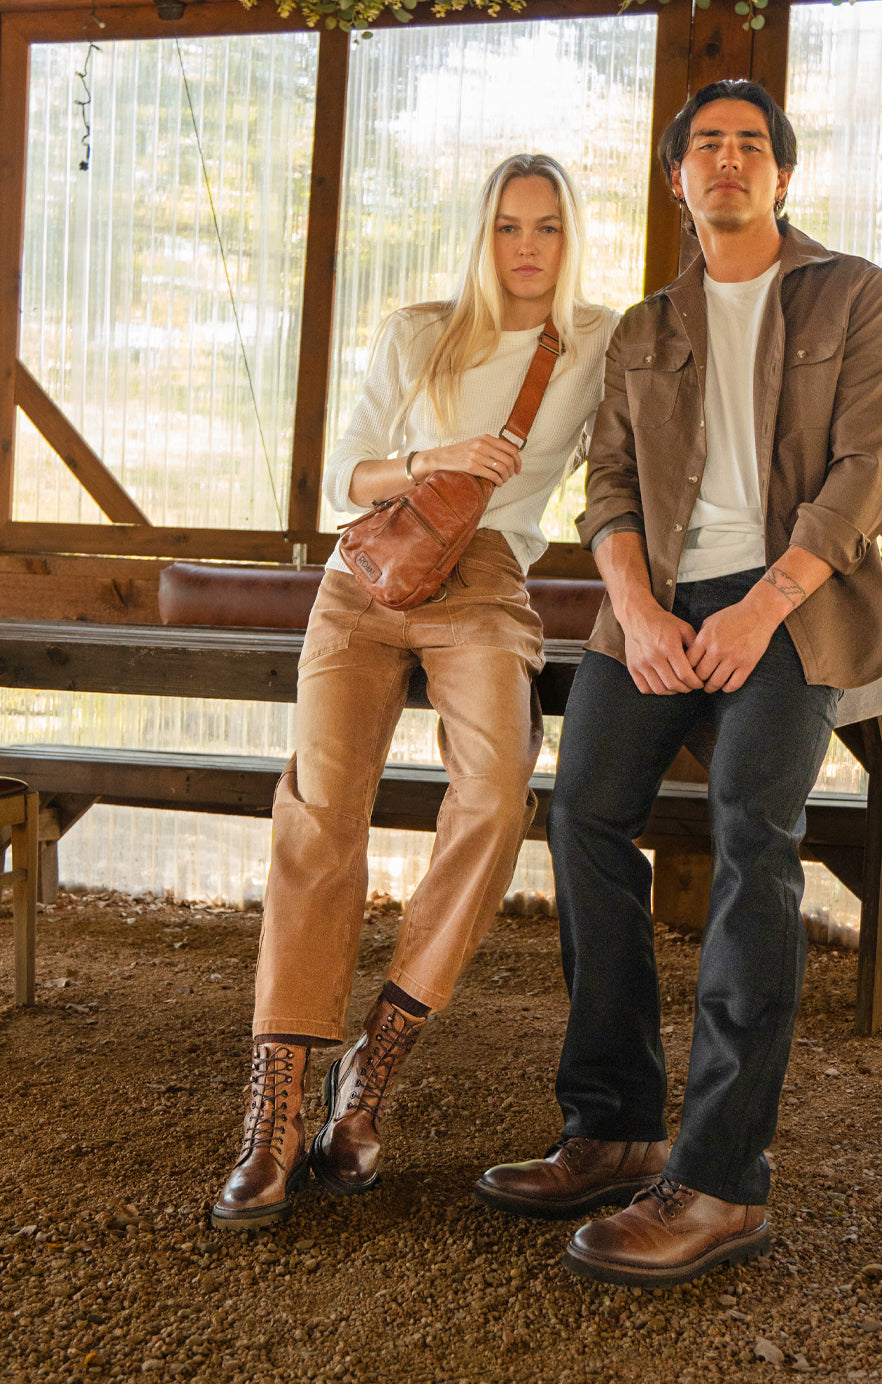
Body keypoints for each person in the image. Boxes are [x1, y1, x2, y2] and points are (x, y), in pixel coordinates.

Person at [475, 80, 882, 1287]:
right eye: (706, 146)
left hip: (797, 604)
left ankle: (721, 1181)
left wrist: (761, 607)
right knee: (582, 811)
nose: (729, 161)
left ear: (783, 175)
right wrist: (636, 608)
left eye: (751, 145)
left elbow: (866, 473)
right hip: (654, 610)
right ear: (677, 180)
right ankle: (613, 1122)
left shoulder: (854, 295)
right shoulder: (642, 329)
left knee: (750, 830)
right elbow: (606, 488)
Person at [212, 153, 619, 1230]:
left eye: (547, 227)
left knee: (495, 794)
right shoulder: (416, 329)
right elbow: (340, 477)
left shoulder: (596, 341)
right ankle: (275, 1115)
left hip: (485, 576)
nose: (527, 247)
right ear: (481, 234)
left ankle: (373, 1069)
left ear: (571, 238)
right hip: (365, 575)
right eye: (507, 227)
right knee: (318, 809)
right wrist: (431, 455)